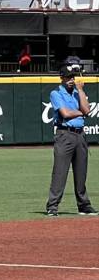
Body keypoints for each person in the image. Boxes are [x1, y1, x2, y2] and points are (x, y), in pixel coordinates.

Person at [46, 57, 97, 216]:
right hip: (64, 135)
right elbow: (66, 114)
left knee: (81, 172)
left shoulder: (77, 93)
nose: (71, 80)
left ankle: (84, 205)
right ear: (62, 78)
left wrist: (81, 90)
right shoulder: (56, 93)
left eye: (73, 77)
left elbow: (87, 110)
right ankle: (52, 206)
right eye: (68, 77)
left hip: (80, 135)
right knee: (60, 172)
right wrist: (82, 112)